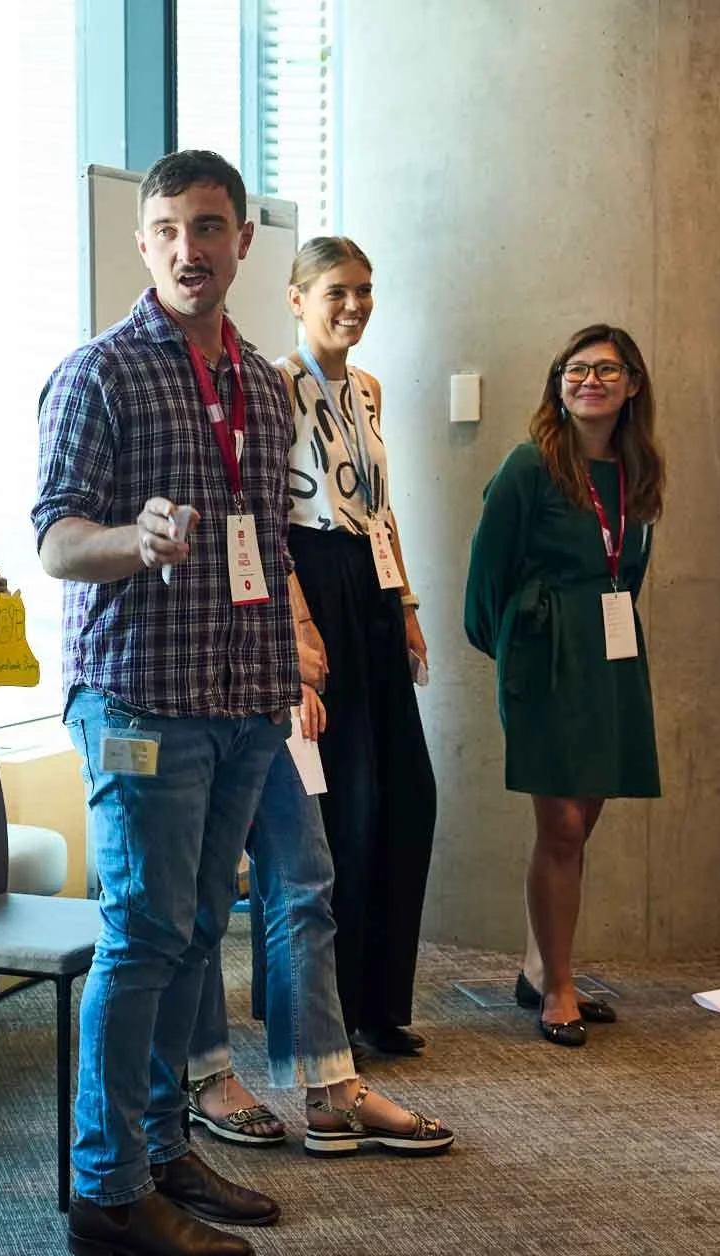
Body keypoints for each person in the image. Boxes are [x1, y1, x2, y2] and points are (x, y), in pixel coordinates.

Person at [34, 149, 294, 1256]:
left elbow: (266, 546)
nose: (191, 249)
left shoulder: (265, 385)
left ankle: (157, 1145)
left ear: (242, 241)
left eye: (210, 227)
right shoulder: (97, 374)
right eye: (171, 230)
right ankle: (105, 1190)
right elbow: (56, 541)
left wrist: (288, 674)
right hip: (141, 699)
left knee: (193, 934)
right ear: (143, 244)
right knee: (140, 937)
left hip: (244, 698)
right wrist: (131, 540)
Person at [465, 324, 663, 1048]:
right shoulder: (530, 465)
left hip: (609, 656)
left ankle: (538, 966)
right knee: (562, 827)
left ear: (632, 384)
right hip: (544, 657)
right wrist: (514, 651)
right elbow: (485, 580)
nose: (589, 381)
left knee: (583, 821)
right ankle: (558, 987)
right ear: (558, 383)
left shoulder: (637, 470)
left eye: (606, 370)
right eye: (575, 369)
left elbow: (628, 572)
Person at [270, 236, 438, 1057]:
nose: (353, 305)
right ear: (297, 298)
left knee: (405, 795)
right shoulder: (274, 385)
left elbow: (379, 506)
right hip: (310, 577)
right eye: (335, 291)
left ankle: (380, 1003)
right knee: (341, 803)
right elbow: (265, 519)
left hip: (370, 586)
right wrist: (296, 626)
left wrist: (405, 602)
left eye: (363, 290)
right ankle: (320, 1011)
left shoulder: (367, 389)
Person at [184, 730, 455, 1158]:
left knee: (305, 885)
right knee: (203, 892)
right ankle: (206, 1071)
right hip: (190, 706)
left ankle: (332, 1086)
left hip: (274, 709)